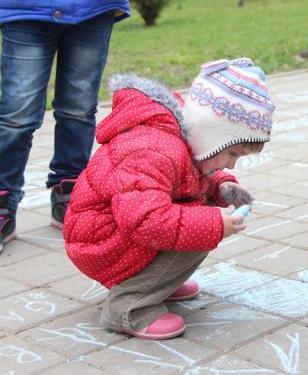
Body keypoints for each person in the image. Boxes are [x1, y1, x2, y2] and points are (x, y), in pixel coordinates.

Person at [63, 58, 275, 340]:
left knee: (202, 214)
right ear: (212, 135)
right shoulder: (155, 150)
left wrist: (221, 186)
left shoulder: (181, 143)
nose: (232, 165)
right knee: (201, 224)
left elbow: (187, 180)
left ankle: (156, 282)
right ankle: (129, 307)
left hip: (111, 232)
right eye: (232, 153)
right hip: (100, 241)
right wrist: (212, 224)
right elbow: (145, 220)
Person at [0, 0, 131, 261]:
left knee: (79, 109)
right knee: (17, 112)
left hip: (93, 4)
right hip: (26, 3)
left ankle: (70, 197)